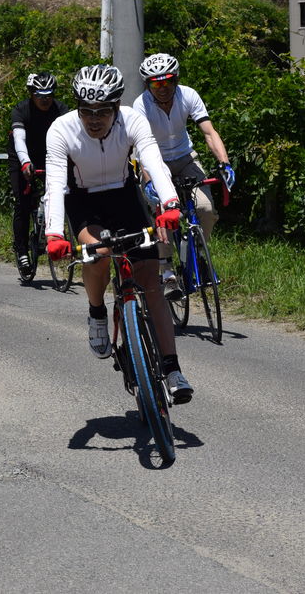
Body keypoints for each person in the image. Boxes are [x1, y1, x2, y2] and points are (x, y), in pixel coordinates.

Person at [43, 64, 192, 403]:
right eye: (86, 111)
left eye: (102, 112)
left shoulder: (132, 120)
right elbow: (55, 183)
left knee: (150, 280)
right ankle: (97, 312)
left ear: (115, 107)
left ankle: (172, 369)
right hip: (84, 201)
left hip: (124, 197)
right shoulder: (61, 129)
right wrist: (54, 233)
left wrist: (169, 204)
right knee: (99, 253)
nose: (93, 119)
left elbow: (153, 161)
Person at [132, 53, 235, 299]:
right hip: (155, 162)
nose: (162, 88)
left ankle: (197, 253)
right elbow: (140, 148)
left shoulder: (188, 95)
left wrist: (225, 164)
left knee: (206, 209)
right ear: (148, 85)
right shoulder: (141, 105)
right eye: (156, 84)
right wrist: (149, 181)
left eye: (167, 81)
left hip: (186, 157)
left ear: (176, 79)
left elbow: (209, 132)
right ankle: (167, 271)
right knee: (164, 215)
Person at [7, 72, 69, 276]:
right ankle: (22, 250)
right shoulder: (21, 110)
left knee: (66, 193)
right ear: (31, 94)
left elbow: (72, 138)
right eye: (39, 95)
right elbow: (19, 139)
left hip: (50, 156)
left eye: (49, 95)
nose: (45, 99)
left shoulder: (61, 110)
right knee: (23, 204)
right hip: (22, 155)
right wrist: (25, 162)